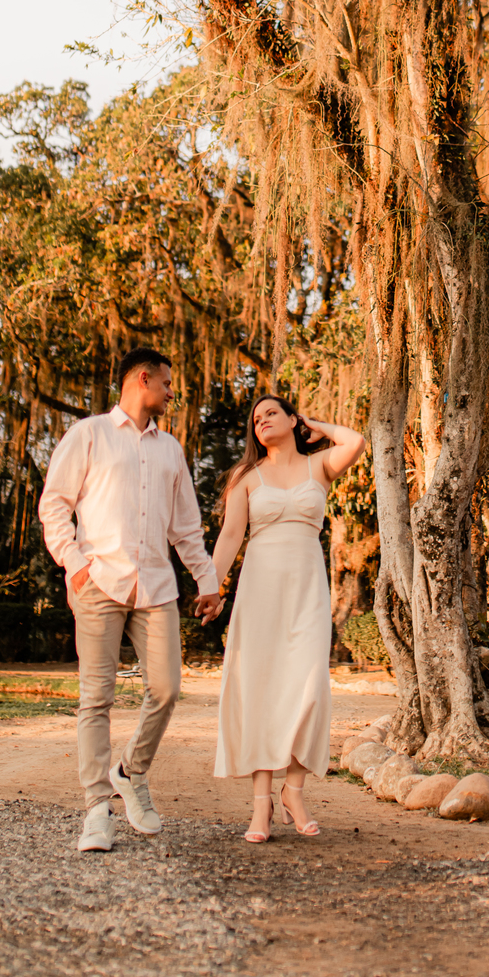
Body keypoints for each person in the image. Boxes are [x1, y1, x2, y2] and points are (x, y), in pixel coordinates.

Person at [38, 347, 221, 853]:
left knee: (165, 689)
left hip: (156, 587)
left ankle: (130, 770)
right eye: (167, 384)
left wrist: (206, 579)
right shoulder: (89, 434)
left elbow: (185, 526)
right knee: (95, 698)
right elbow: (55, 505)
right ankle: (97, 809)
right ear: (143, 379)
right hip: (100, 583)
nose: (171, 394)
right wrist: (75, 566)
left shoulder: (172, 450)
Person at [212, 393, 366, 841]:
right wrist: (212, 587)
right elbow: (230, 537)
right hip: (260, 594)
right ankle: (260, 806)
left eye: (271, 413)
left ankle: (293, 792)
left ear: (291, 419)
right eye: (255, 418)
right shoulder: (246, 476)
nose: (261, 421)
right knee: (260, 692)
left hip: (307, 595)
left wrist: (316, 425)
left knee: (309, 690)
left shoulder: (318, 466)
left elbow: (355, 441)